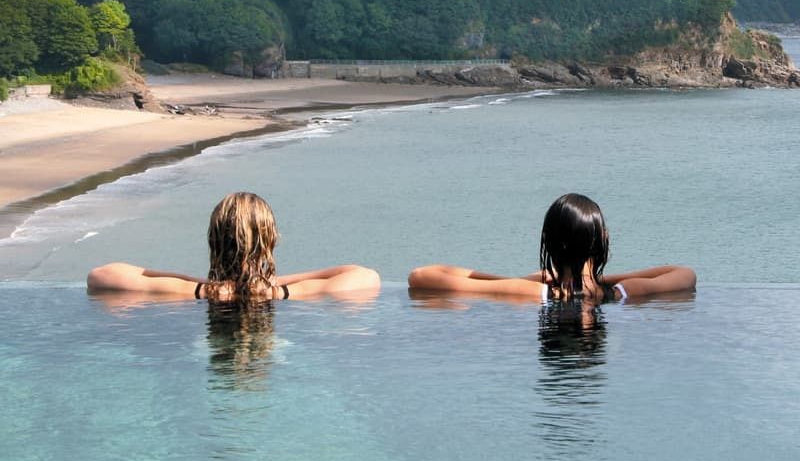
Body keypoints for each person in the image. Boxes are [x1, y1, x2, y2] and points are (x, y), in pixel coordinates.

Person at [87, 191, 380, 301]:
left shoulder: (191, 292)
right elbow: (366, 275)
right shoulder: (284, 293)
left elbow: (101, 275)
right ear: (271, 242)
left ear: (212, 239)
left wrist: (200, 282)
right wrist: (270, 282)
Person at [408, 193, 696, 301]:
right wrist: (597, 280)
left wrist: (521, 279)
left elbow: (421, 276)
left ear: (548, 241)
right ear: (603, 240)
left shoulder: (534, 292)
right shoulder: (624, 292)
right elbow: (684, 274)